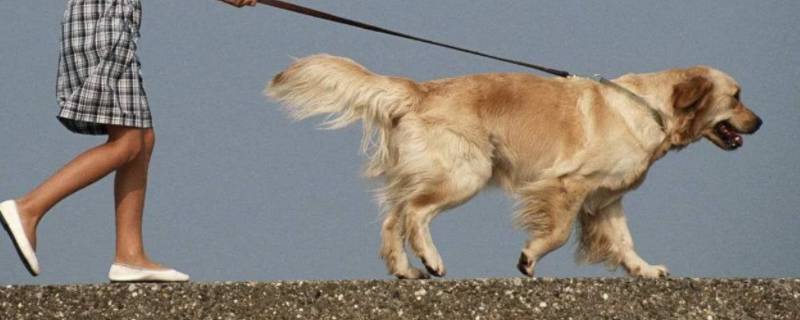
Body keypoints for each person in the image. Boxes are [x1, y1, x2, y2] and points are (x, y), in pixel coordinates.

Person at [0, 0, 257, 282]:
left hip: (104, 23)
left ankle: (129, 254)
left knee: (142, 138)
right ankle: (29, 208)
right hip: (103, 23)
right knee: (129, 143)